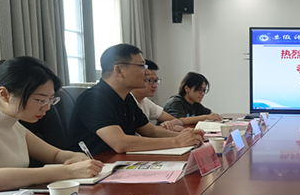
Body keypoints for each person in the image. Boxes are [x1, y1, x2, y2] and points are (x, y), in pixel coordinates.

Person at [0, 57, 103, 195]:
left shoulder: (15, 125)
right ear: (4, 94)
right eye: (40, 100)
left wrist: (75, 157)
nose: (47, 107)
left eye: (50, 99)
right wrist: (68, 171)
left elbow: (55, 155)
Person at [69, 44, 204, 156]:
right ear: (119, 70)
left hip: (119, 163)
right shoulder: (94, 100)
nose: (147, 72)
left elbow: (150, 131)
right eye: (142, 66)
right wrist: (177, 142)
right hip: (94, 169)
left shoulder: (127, 98)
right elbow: (121, 143)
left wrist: (183, 135)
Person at [131, 60, 184, 132]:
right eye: (150, 80)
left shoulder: (145, 101)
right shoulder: (126, 102)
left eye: (156, 81)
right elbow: (150, 132)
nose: (155, 86)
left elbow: (175, 120)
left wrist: (170, 124)